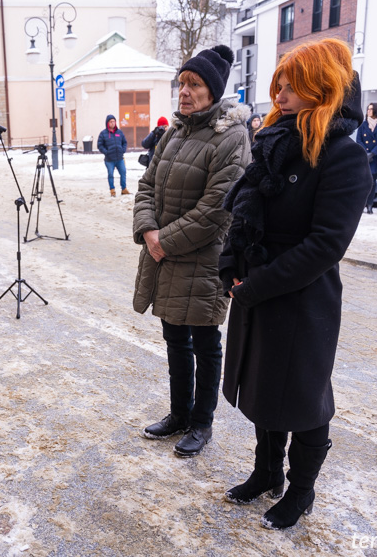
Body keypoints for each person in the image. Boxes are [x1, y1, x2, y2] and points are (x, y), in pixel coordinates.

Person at [220, 38, 371, 530]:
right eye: (277, 87)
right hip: (257, 284)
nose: (279, 98)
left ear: (320, 88)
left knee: (304, 397)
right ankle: (267, 472)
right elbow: (245, 213)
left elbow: (327, 244)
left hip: (301, 296)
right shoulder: (273, 143)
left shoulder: (343, 156)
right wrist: (230, 265)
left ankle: (301, 489)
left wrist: (257, 285)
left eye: (291, 88)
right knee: (263, 386)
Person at [134, 45, 251, 458]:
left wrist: (163, 240)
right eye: (182, 82)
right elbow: (147, 185)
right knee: (174, 339)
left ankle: (202, 423)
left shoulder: (232, 138)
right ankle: (179, 413)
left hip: (202, 261)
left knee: (204, 342)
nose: (184, 91)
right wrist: (149, 230)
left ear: (213, 91)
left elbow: (217, 210)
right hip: (164, 253)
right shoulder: (175, 131)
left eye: (194, 84)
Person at [355, 102, 377, 214]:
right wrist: (366, 152)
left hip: (376, 157)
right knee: (362, 182)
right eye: (368, 109)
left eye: (371, 109)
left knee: (373, 182)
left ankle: (370, 204)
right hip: (364, 156)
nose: (368, 111)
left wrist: (373, 153)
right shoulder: (363, 124)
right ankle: (361, 204)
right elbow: (359, 140)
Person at [98, 114, 128, 196]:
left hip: (119, 158)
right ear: (107, 123)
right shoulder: (103, 133)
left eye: (114, 121)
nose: (113, 123)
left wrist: (123, 150)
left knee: (123, 172)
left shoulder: (119, 132)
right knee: (110, 174)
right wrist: (106, 152)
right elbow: (100, 145)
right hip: (109, 159)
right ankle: (112, 190)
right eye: (111, 122)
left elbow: (124, 142)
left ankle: (124, 189)